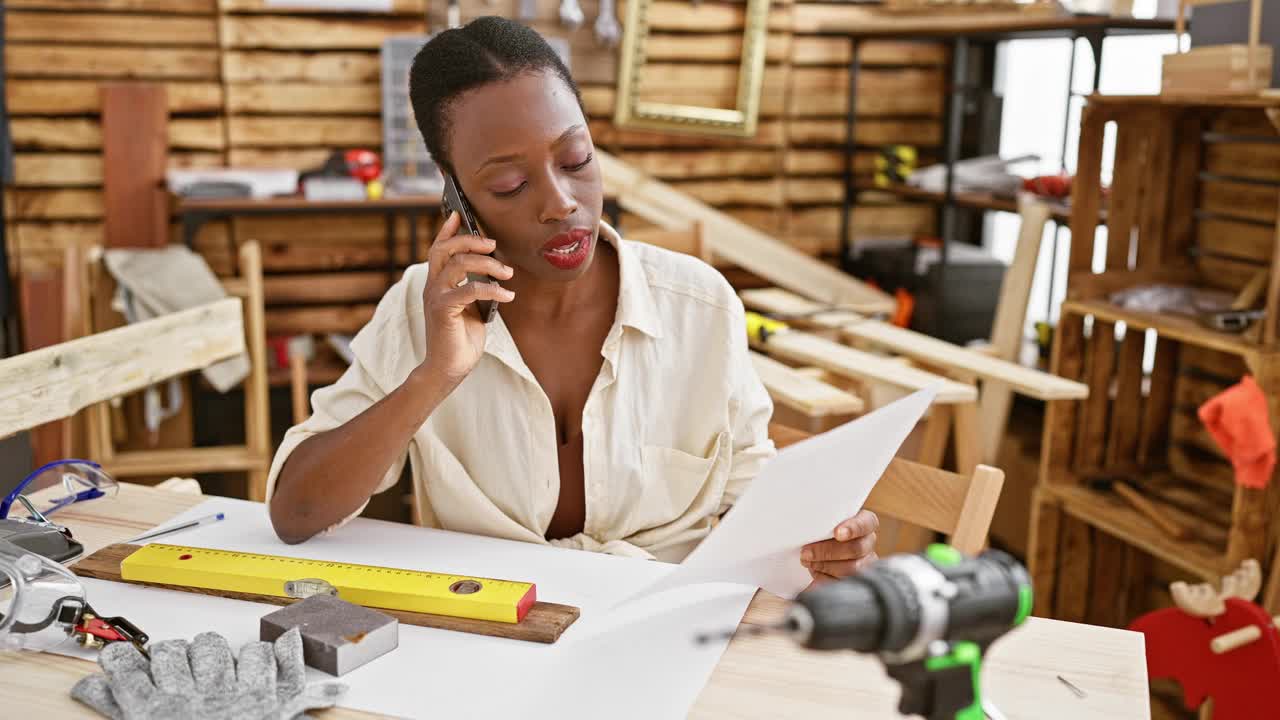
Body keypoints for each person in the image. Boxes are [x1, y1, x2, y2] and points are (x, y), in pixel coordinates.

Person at [265, 17, 878, 584]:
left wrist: (829, 543)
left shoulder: (700, 305)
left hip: (664, 633)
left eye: (577, 158)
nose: (560, 202)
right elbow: (297, 514)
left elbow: (754, 494)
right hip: (494, 636)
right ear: (455, 194)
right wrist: (435, 375)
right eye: (509, 183)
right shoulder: (420, 312)